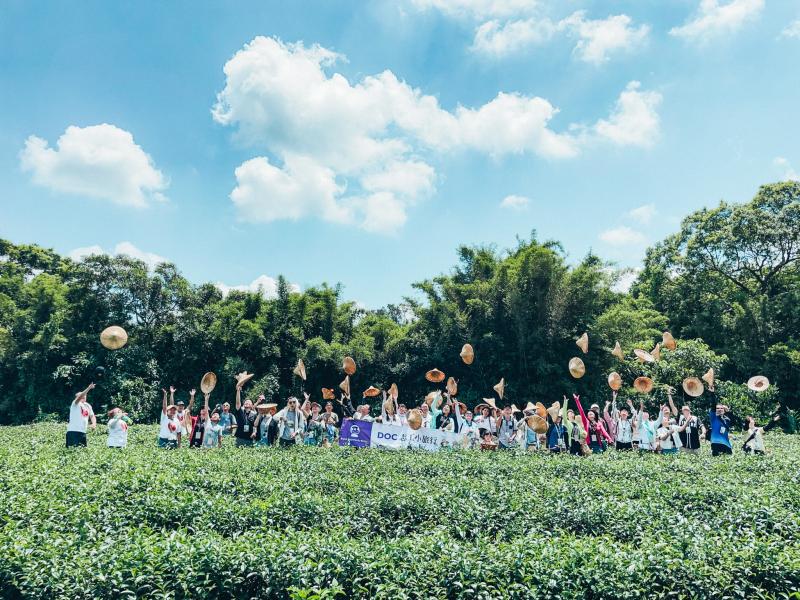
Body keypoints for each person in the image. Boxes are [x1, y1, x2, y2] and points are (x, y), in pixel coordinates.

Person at [66, 382, 96, 447]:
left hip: (82, 432)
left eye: (85, 396)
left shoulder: (87, 405)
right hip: (73, 431)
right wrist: (89, 388)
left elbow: (92, 415)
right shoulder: (75, 404)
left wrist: (94, 423)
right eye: (82, 396)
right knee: (72, 451)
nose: (84, 397)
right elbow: (81, 395)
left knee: (82, 451)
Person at [233, 383, 258, 447]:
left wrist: (254, 432)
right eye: (245, 402)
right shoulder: (241, 411)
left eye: (249, 402)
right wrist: (238, 391)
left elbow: (255, 426)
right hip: (239, 438)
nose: (246, 402)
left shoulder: (254, 414)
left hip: (249, 439)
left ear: (252, 405)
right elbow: (238, 403)